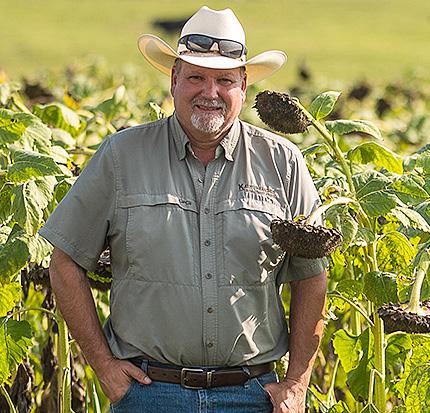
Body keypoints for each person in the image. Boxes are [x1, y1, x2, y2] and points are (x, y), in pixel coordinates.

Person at [39, 6, 327, 413]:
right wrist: (103, 365)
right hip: (150, 393)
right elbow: (65, 259)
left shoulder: (283, 163)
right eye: (196, 77)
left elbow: (311, 276)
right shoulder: (122, 156)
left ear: (243, 86)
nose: (210, 92)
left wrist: (297, 383)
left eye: (224, 80)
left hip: (251, 394)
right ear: (174, 79)